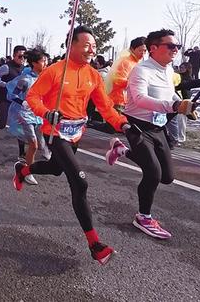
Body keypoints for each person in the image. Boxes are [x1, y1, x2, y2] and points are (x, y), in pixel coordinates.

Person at [18, 26, 130, 265]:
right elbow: (33, 97)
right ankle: (95, 245)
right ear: (72, 45)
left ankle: (23, 170)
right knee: (80, 183)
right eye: (86, 45)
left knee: (55, 169)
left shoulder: (93, 75)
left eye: (94, 46)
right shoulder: (54, 71)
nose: (92, 50)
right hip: (55, 132)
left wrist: (122, 123)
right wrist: (47, 113)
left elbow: (105, 106)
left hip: (76, 133)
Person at [106, 29, 197, 240]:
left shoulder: (167, 69)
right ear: (153, 48)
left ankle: (121, 150)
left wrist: (185, 105)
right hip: (138, 126)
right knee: (153, 173)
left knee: (167, 177)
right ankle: (143, 217)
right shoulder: (141, 70)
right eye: (170, 46)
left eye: (177, 46)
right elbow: (139, 99)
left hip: (158, 127)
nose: (175, 50)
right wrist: (174, 106)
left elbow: (170, 93)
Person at [6, 48, 49, 185]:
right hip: (26, 115)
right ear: (34, 63)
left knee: (41, 144)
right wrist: (22, 102)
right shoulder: (25, 79)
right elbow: (11, 94)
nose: (46, 63)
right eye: (43, 61)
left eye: (46, 61)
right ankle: (27, 173)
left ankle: (22, 166)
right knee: (33, 145)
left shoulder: (46, 78)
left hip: (39, 114)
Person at [105, 37, 147, 111]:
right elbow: (117, 80)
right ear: (132, 49)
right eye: (140, 50)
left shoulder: (135, 62)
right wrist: (137, 83)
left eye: (145, 51)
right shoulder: (126, 62)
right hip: (119, 101)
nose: (143, 53)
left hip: (125, 101)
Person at [0, 45, 27, 132]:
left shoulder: (25, 69)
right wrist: (6, 85)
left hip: (17, 100)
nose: (22, 59)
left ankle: (21, 139)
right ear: (14, 56)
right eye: (20, 56)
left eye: (25, 57)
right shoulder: (6, 67)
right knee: (2, 124)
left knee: (22, 122)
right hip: (4, 98)